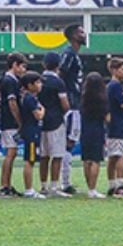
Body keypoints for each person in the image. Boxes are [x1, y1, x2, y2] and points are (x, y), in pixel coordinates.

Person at [38, 52, 71, 197]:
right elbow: (65, 105)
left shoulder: (38, 80)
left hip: (40, 121)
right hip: (56, 121)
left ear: (44, 64)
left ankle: (43, 186)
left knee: (44, 156)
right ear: (58, 66)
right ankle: (54, 187)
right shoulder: (58, 82)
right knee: (57, 155)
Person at [59, 23, 85, 194]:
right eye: (81, 31)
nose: (84, 34)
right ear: (74, 35)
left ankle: (65, 181)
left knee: (71, 141)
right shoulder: (68, 54)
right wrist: (63, 98)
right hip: (70, 104)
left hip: (75, 103)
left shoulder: (74, 55)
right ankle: (64, 182)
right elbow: (61, 73)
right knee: (68, 141)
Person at [0, 52, 27, 197]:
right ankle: (4, 185)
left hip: (9, 121)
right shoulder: (10, 81)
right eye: (22, 67)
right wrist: (19, 120)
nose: (24, 70)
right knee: (11, 152)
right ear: (15, 65)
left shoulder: (12, 80)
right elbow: (12, 102)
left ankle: (7, 184)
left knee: (12, 153)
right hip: (10, 122)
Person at [105, 57, 123, 197]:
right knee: (122, 155)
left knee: (113, 156)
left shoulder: (110, 86)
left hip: (113, 125)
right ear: (114, 70)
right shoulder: (115, 86)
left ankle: (112, 184)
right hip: (119, 124)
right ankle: (120, 184)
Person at [78, 70, 108, 199]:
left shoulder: (83, 98)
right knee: (96, 159)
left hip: (85, 130)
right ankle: (93, 188)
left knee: (87, 159)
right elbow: (107, 118)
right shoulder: (102, 100)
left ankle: (89, 187)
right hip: (97, 129)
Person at [18, 71, 45, 199]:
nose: (40, 85)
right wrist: (43, 110)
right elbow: (38, 115)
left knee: (32, 160)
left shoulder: (32, 97)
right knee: (30, 160)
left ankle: (30, 188)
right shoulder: (29, 98)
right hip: (31, 132)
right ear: (30, 85)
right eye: (38, 82)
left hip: (34, 131)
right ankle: (28, 189)